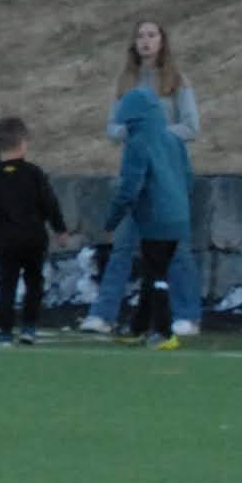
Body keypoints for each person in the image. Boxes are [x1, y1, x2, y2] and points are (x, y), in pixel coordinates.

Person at [86, 80, 202, 346]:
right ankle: (138, 328)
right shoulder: (174, 140)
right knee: (153, 271)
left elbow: (129, 188)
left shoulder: (138, 144)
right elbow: (187, 178)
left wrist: (112, 220)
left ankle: (164, 332)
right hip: (179, 217)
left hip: (154, 219)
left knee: (158, 275)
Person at [0, 116, 66, 345]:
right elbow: (49, 202)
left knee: (6, 283)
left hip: (5, 239)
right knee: (34, 281)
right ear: (22, 143)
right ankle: (29, 326)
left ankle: (5, 331)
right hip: (34, 237)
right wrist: (60, 229)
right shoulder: (34, 173)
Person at [111, 19, 202, 149]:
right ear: (134, 43)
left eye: (151, 35)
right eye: (140, 36)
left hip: (169, 156)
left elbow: (191, 128)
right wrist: (129, 131)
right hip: (135, 157)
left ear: (162, 42)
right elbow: (112, 128)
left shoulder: (176, 79)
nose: (145, 40)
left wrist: (156, 132)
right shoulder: (124, 81)